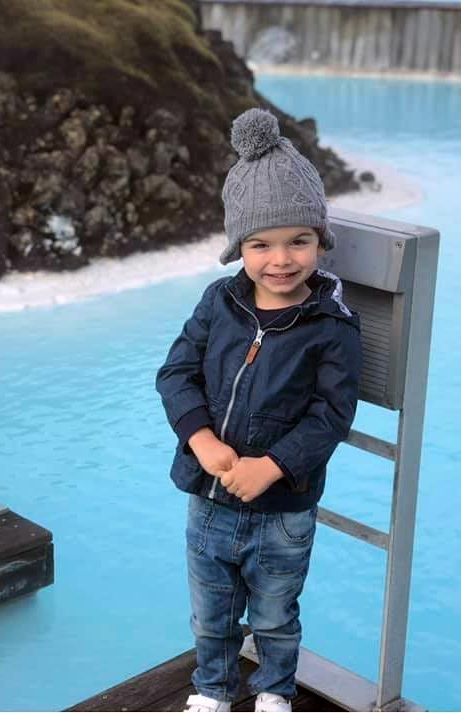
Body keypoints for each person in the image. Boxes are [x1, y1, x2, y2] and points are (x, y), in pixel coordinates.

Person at [155, 108, 362, 713]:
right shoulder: (218, 303)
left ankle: (274, 692)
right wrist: (201, 441)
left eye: (299, 240)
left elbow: (332, 413)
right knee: (209, 611)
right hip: (209, 496)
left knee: (274, 613)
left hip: (283, 511)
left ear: (321, 242)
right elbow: (175, 373)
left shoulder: (330, 325)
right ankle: (213, 690)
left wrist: (272, 465)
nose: (281, 259)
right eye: (261, 243)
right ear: (237, 248)